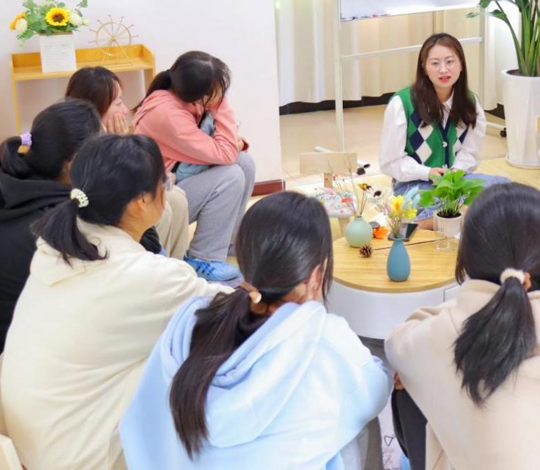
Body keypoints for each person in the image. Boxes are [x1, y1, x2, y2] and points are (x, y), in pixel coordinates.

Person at [0, 134, 230, 470]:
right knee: (200, 364)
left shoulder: (59, 245)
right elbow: (233, 310)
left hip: (28, 441)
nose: (169, 189)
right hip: (74, 457)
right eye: (163, 183)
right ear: (140, 201)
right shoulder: (144, 275)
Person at [120, 192, 391, 469]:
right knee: (357, 426)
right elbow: (376, 390)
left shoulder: (190, 320)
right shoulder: (323, 338)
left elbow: (141, 421)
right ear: (314, 276)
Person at [385, 183, 540, 470]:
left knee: (406, 385)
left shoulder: (452, 329)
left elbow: (396, 345)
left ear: (467, 256)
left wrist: (465, 304)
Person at [0, 100, 162, 366]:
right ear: (74, 164)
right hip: (24, 355)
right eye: (102, 147)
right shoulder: (64, 216)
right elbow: (143, 248)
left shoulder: (9, 185)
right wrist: (127, 174)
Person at [134, 51, 255, 281]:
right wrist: (221, 105)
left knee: (245, 164)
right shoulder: (168, 115)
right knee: (231, 175)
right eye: (218, 90)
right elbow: (226, 152)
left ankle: (227, 241)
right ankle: (203, 258)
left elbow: (226, 150)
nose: (222, 94)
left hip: (179, 179)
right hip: (161, 197)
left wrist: (230, 139)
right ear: (199, 94)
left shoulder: (187, 100)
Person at [379, 33, 506, 225]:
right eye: (435, 63)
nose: (444, 69)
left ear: (461, 64)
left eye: (450, 61)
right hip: (413, 184)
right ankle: (448, 218)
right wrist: (427, 172)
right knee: (439, 204)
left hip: (456, 183)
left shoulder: (470, 103)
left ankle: (452, 217)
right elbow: (390, 162)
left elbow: (470, 152)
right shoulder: (402, 103)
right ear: (424, 68)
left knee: (504, 188)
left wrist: (456, 171)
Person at [66, 66, 191, 259]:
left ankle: (177, 265)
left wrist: (118, 142)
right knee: (163, 209)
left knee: (177, 198)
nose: (125, 110)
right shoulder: (78, 143)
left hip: (116, 201)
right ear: (96, 107)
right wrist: (116, 146)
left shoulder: (103, 135)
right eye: (118, 103)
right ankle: (156, 267)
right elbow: (109, 190)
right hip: (97, 212)